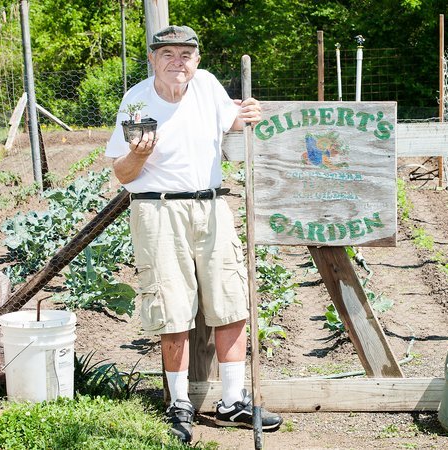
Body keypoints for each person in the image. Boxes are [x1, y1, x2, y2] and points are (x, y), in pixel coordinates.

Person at [105, 25, 282, 443]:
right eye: (166, 53)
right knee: (172, 305)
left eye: (185, 54)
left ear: (197, 60)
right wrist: (138, 154)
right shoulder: (137, 101)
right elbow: (121, 173)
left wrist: (246, 115)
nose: (176, 61)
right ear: (153, 59)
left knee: (230, 298)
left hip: (212, 204)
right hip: (157, 208)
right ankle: (180, 402)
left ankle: (232, 400)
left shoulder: (207, 86)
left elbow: (233, 121)